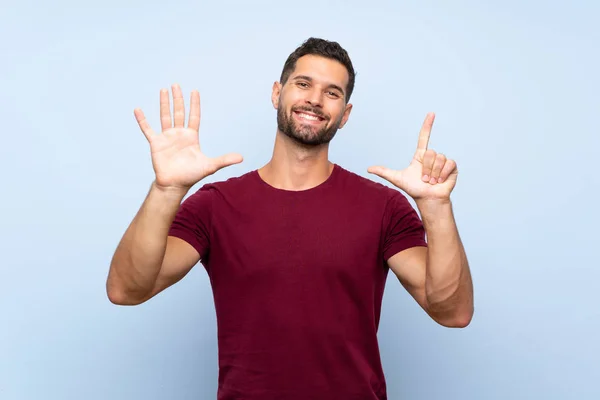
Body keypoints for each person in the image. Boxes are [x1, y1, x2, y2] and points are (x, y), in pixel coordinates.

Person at [106, 37, 474, 400]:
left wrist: (435, 206)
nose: (314, 99)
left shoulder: (383, 207)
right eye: (303, 84)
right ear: (276, 93)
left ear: (344, 115)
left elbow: (452, 312)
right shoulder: (215, 205)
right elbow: (127, 290)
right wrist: (166, 189)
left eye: (332, 92)